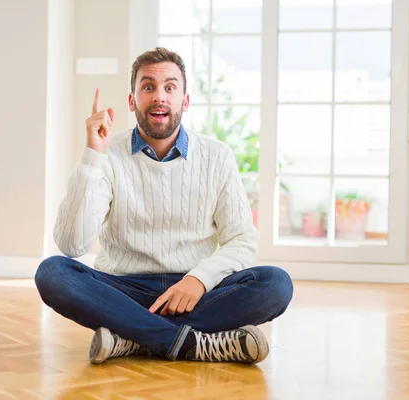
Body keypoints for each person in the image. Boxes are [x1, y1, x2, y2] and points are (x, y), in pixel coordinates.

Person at [34, 47, 293, 365]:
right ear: (132, 101)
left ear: (185, 101)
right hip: (125, 287)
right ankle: (191, 343)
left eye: (170, 87)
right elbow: (71, 244)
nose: (160, 97)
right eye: (148, 87)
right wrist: (92, 155)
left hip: (196, 291)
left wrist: (198, 280)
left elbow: (242, 239)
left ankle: (131, 337)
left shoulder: (216, 155)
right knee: (53, 273)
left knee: (275, 283)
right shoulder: (107, 153)